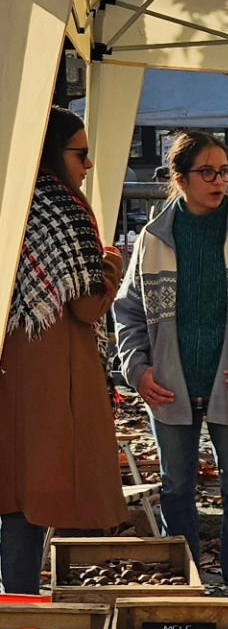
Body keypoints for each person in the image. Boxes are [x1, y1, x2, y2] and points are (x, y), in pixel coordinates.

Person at [114, 131, 228, 597]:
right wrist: (138, 370)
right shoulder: (151, 242)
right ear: (180, 179)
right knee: (176, 488)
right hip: (169, 386)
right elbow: (128, 313)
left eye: (224, 171)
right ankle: (187, 581)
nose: (220, 181)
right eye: (208, 172)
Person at [0, 107, 129, 593]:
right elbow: (88, 303)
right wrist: (111, 262)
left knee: (15, 497)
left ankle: (15, 611)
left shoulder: (14, 199)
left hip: (14, 360)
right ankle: (20, 618)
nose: (89, 165)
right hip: (49, 370)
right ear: (56, 153)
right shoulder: (63, 207)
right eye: (81, 153)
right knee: (36, 496)